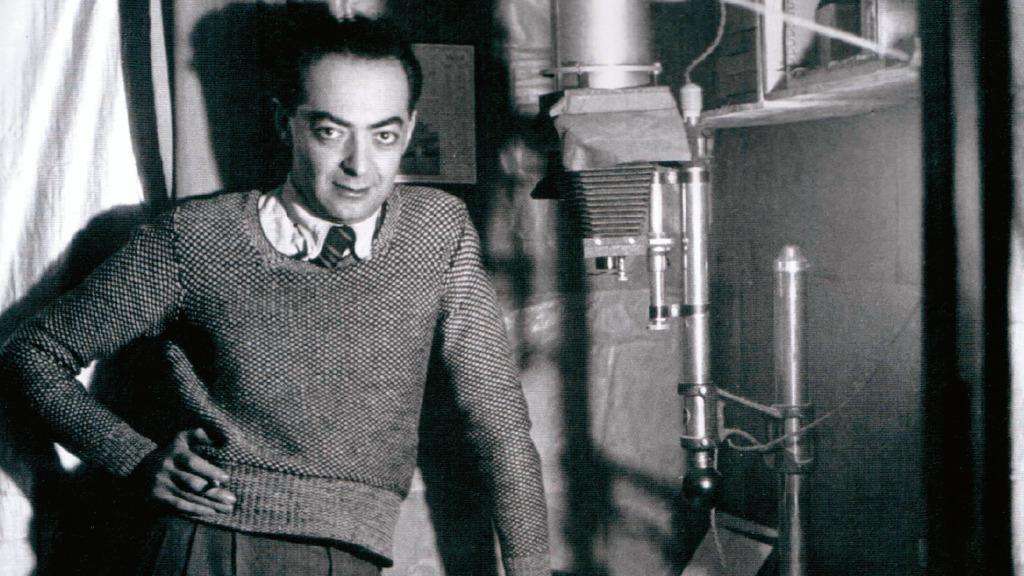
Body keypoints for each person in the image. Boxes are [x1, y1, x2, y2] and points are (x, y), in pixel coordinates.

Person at [0, 10, 550, 576]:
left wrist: (530, 566)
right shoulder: (198, 237)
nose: (359, 166)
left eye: (383, 135)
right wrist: (135, 459)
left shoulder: (437, 231)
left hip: (352, 555)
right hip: (207, 544)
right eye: (330, 131)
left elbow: (499, 421)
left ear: (409, 130)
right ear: (285, 123)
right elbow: (31, 355)